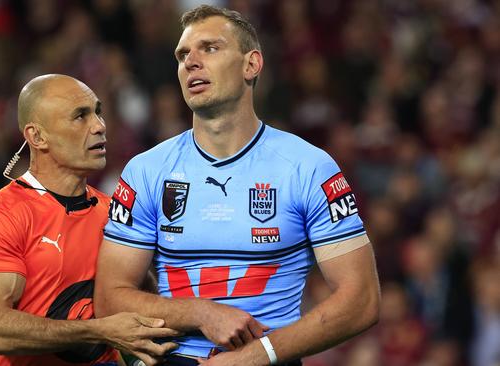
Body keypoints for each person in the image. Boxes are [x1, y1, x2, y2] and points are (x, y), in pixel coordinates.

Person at [95, 5, 380, 366]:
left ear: (252, 65)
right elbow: (109, 298)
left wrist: (258, 355)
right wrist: (201, 313)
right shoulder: (146, 171)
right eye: (183, 55)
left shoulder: (309, 168)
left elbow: (362, 300)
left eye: (210, 48)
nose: (191, 63)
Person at [0, 74, 179, 366]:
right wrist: (98, 331)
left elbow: (148, 304)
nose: (100, 126)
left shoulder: (113, 213)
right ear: (37, 136)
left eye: (97, 112)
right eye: (80, 116)